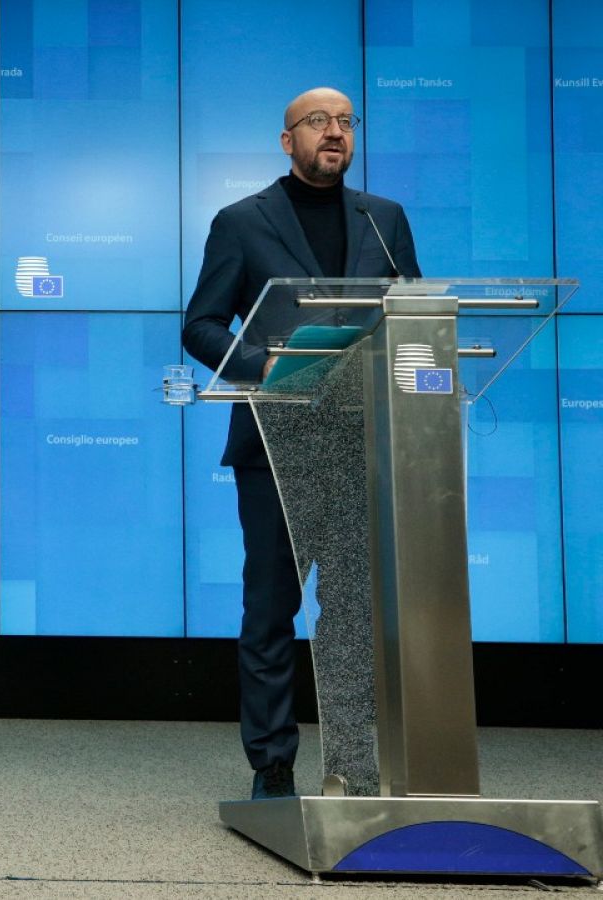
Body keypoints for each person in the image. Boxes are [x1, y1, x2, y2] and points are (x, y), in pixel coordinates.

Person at [181, 88, 421, 799]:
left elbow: (411, 312)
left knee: (352, 610)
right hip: (274, 442)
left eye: (346, 122)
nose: (335, 132)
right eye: (319, 122)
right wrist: (270, 371)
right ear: (287, 141)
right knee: (272, 606)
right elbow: (200, 326)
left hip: (362, 439)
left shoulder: (385, 221)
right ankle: (273, 766)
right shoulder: (241, 222)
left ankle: (353, 765)